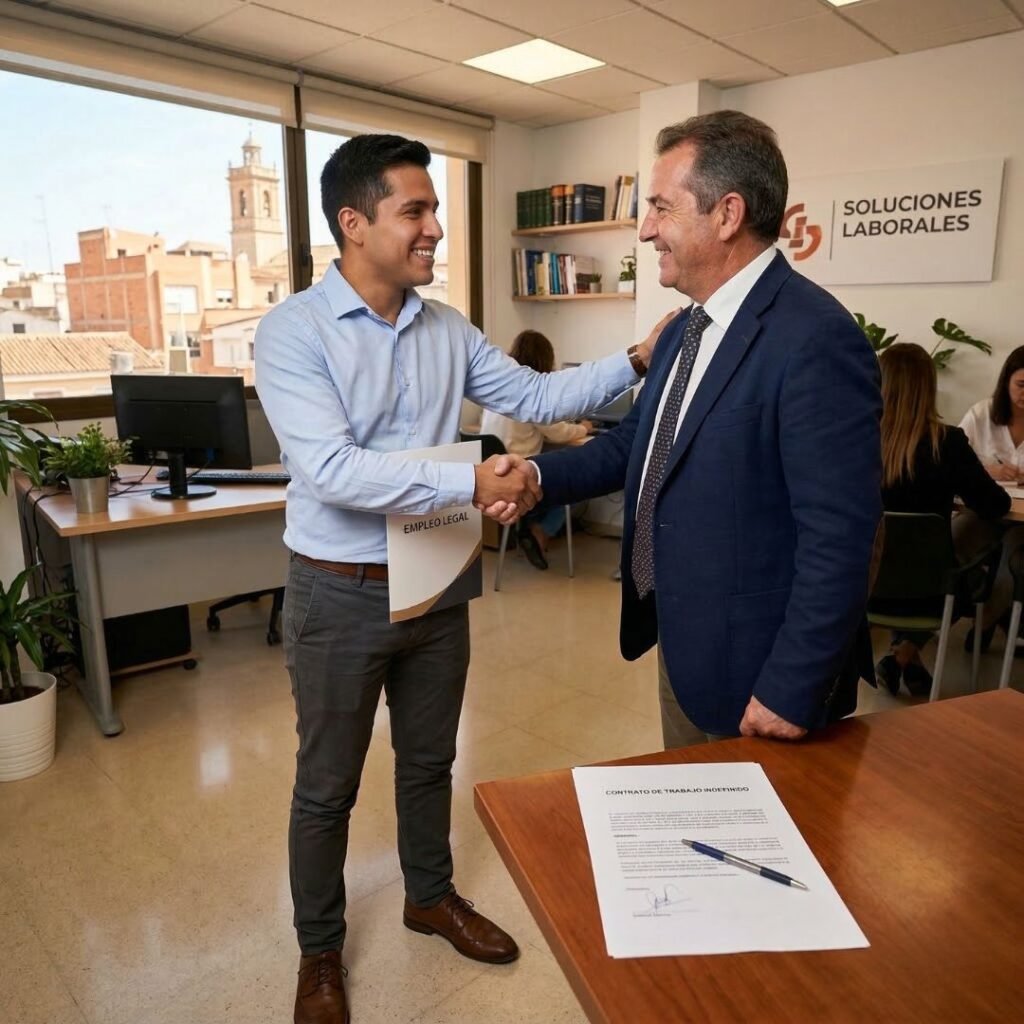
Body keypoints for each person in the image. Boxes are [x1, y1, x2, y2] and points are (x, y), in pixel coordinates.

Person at [254, 133, 661, 1024]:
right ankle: (320, 951)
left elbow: (537, 396)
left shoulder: (446, 328)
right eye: (416, 210)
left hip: (435, 571)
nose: (435, 227)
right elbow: (331, 469)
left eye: (435, 209)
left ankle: (429, 897)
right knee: (326, 785)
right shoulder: (293, 331)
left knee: (431, 758)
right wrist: (472, 483)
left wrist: (635, 360)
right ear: (354, 223)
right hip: (338, 588)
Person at [494, 110, 882, 747]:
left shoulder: (816, 339)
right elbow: (637, 444)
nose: (646, 229)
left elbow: (841, 536)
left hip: (764, 674)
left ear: (727, 215)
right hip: (685, 640)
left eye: (661, 208)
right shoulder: (682, 330)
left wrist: (792, 685)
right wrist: (537, 475)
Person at [874, 344, 1010, 696]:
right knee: (965, 569)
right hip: (931, 591)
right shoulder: (946, 443)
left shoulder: (857, 440)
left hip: (866, 584)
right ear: (928, 387)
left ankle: (902, 656)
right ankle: (905, 655)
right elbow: (996, 505)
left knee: (916, 563)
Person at [479, 329, 591, 570]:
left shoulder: (497, 387)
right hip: (517, 475)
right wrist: (584, 427)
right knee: (576, 484)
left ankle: (528, 526)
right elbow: (559, 433)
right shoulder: (531, 391)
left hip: (490, 474)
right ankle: (539, 532)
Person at [959, 345, 1024, 481]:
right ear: (1006, 382)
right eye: (1021, 385)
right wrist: (986, 471)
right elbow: (950, 465)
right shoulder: (980, 415)